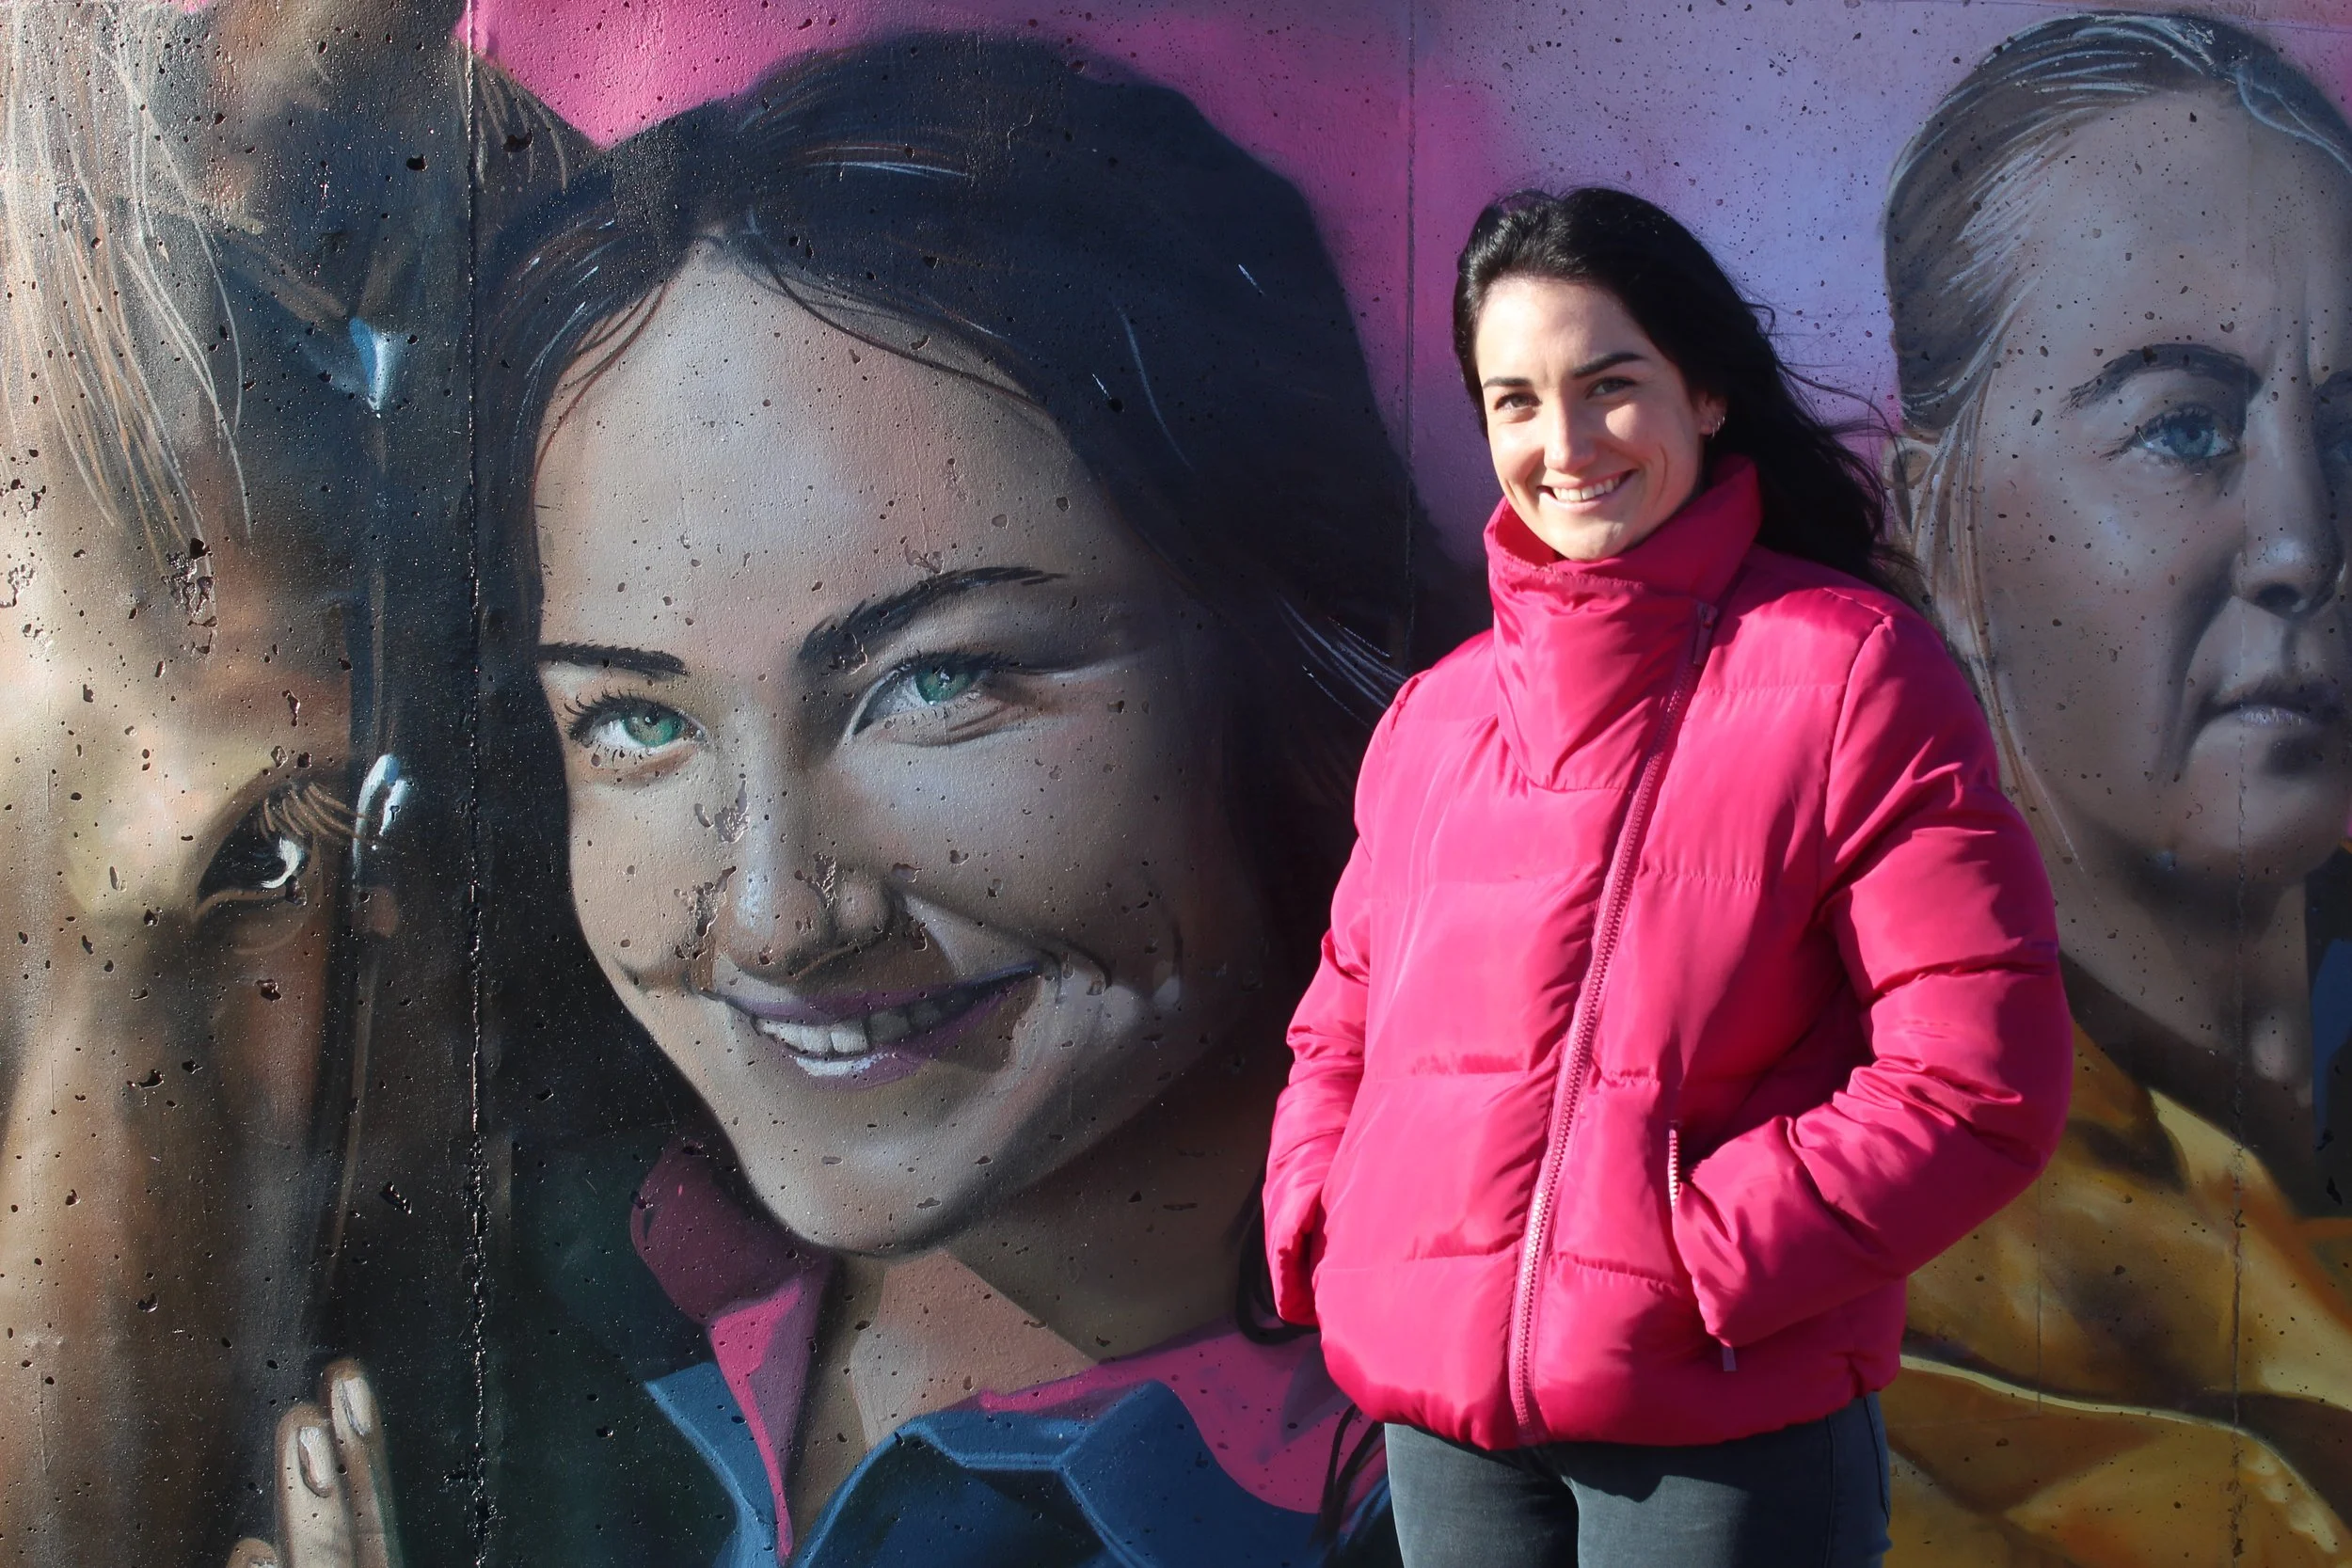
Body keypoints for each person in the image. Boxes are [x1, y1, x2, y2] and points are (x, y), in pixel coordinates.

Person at [236, 33, 1475, 1568]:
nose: (775, 912)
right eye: (635, 717)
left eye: (939, 684)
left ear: (1297, 660)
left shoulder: (1496, 1472)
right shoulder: (530, 1320)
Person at [1262, 185, 2074, 1568]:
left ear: (1705, 395)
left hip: (1722, 1432)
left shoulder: (1851, 672)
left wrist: (1694, 1256)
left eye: (1609, 385)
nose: (1562, 445)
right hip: (1447, 1435)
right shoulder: (1436, 719)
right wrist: (1333, 1216)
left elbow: (1979, 1077)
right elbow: (1344, 1019)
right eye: (1513, 400)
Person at [1879, 13, 2352, 1562]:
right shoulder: (1855, 1274)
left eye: (2350, 430)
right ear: (1938, 529)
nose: (2304, 542)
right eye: (2184, 427)